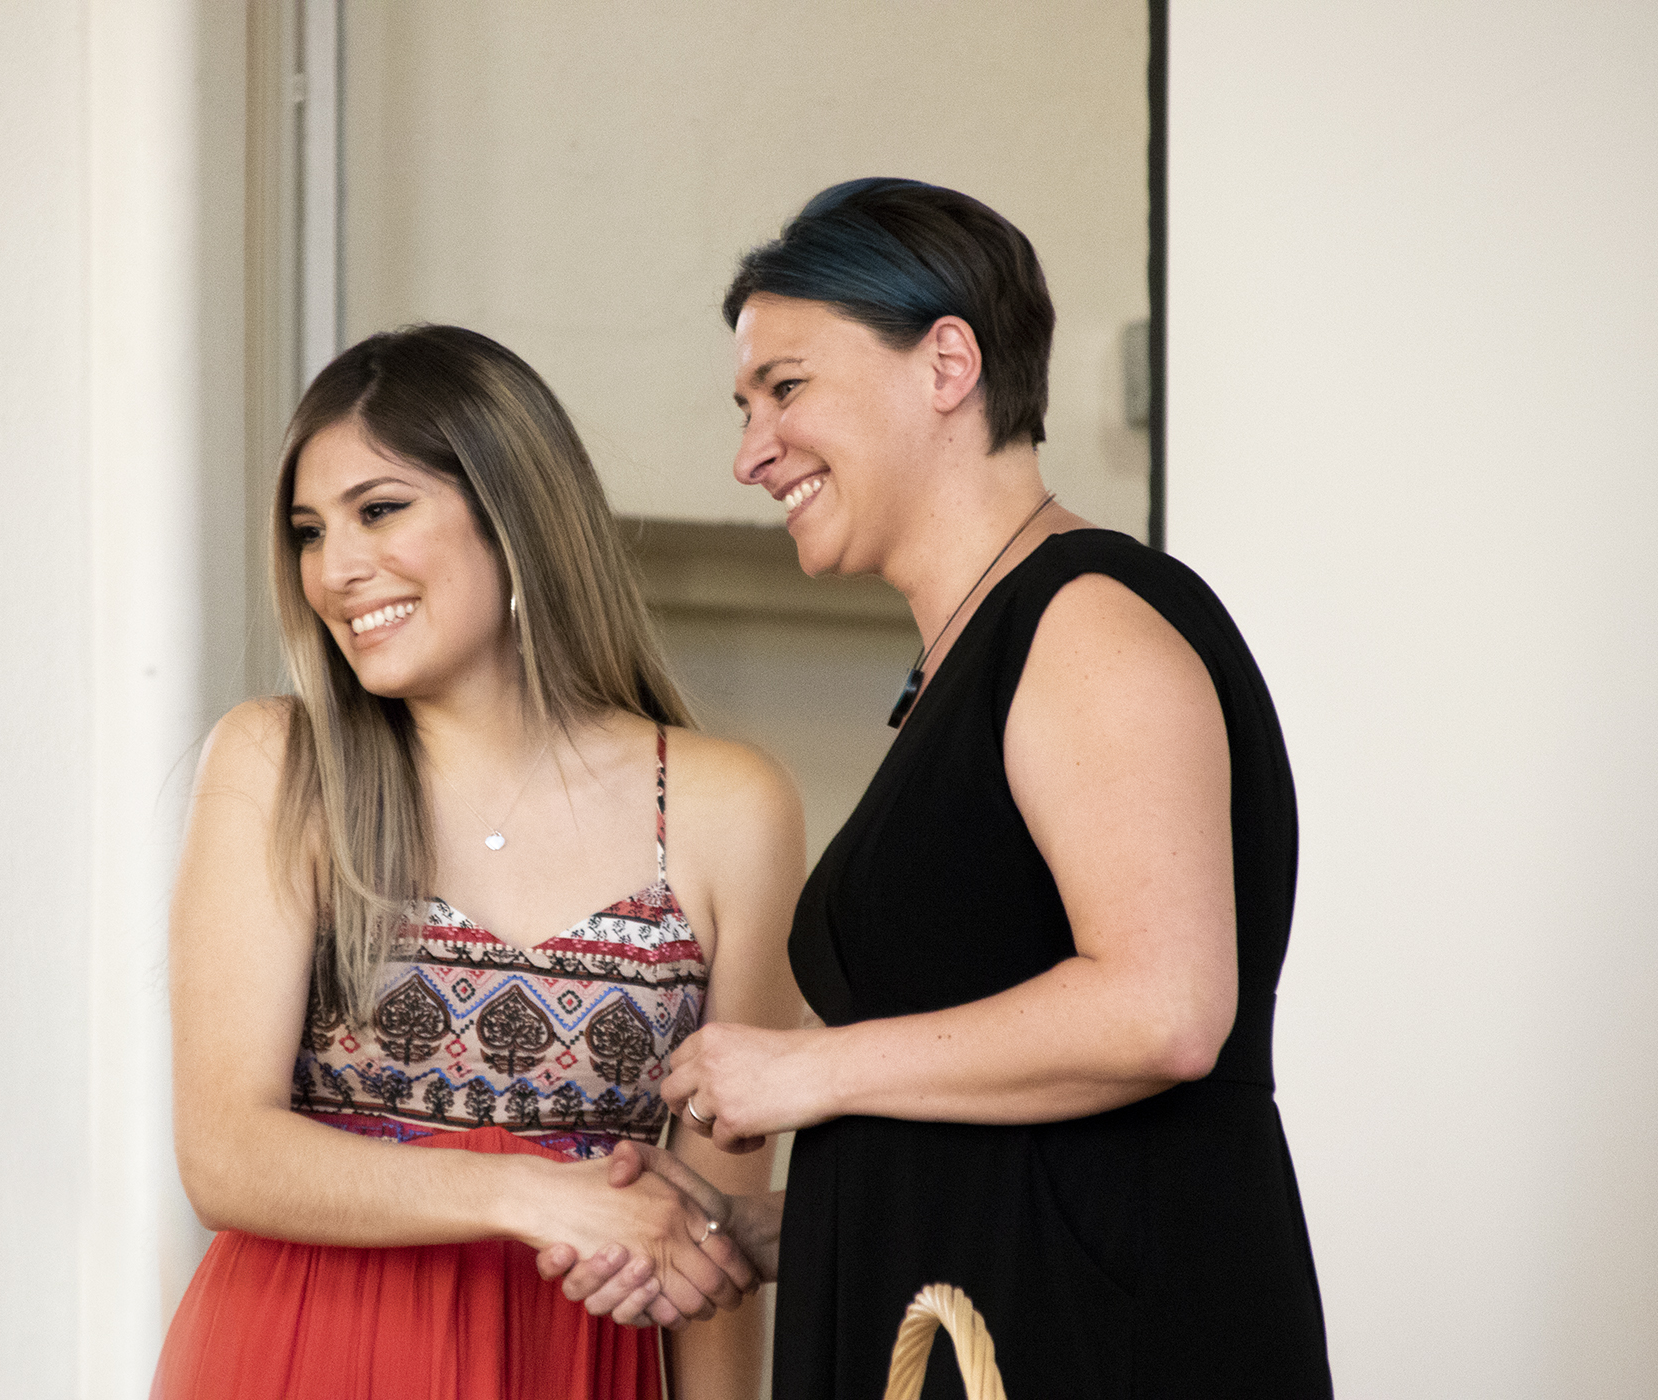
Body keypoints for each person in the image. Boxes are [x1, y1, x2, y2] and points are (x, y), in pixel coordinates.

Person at [545, 179, 1333, 1397]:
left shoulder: (1086, 623)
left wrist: (810, 1068)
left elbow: (1166, 1009)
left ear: (948, 362)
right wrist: (787, 1228)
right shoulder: (976, 652)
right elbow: (1009, 1096)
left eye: (786, 387)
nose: (751, 452)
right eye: (746, 405)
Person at [152, 324, 805, 1400]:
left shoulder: (729, 805)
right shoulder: (281, 763)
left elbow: (712, 1241)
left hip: (572, 1367)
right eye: (309, 531)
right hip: (301, 1355)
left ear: (511, 511)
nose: (337, 567)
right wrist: (536, 1195)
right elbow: (225, 1150)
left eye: (380, 507)